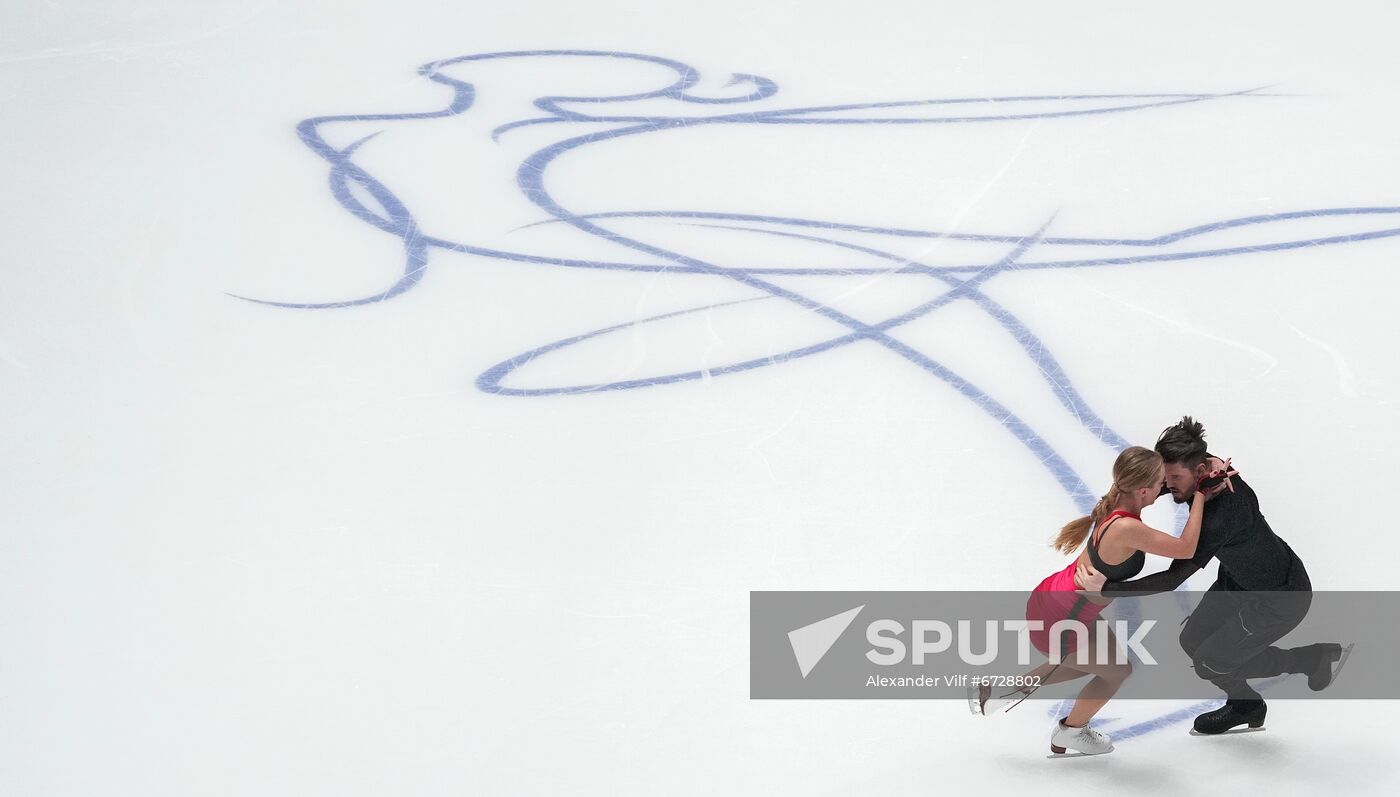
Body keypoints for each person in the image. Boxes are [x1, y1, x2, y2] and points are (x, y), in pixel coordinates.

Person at [1076, 417, 1350, 735]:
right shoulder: (1201, 471)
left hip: (1279, 597)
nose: (1166, 485)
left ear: (1201, 472)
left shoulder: (1223, 516)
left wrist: (1107, 589)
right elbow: (1151, 486)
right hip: (1237, 581)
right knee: (1192, 641)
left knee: (1210, 662)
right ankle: (1288, 673)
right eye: (1164, 477)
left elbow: (1171, 580)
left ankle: (1281, 679)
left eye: (1174, 478)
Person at [971, 445, 1210, 757]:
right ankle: (1072, 731)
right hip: (1063, 615)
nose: (1163, 488)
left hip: (1060, 600)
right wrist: (1202, 494)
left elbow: (1150, 495)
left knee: (1092, 663)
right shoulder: (1127, 527)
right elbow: (1186, 548)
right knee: (1116, 671)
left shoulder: (1119, 504)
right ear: (1141, 490)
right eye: (1159, 483)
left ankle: (1000, 693)